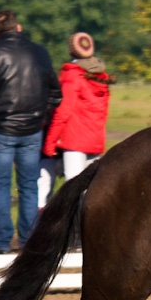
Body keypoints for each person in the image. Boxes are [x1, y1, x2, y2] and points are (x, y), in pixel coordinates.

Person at [0, 10, 61, 254]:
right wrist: (40, 116)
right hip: (32, 129)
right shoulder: (39, 52)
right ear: (18, 27)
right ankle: (28, 240)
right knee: (29, 186)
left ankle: (0, 242)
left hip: (0, 128)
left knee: (0, 186)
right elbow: (55, 93)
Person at [40, 32, 115, 206]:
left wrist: (50, 143)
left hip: (74, 142)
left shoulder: (72, 75)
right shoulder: (101, 76)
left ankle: (71, 230)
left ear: (72, 50)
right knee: (89, 192)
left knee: (72, 191)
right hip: (95, 140)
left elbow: (63, 111)